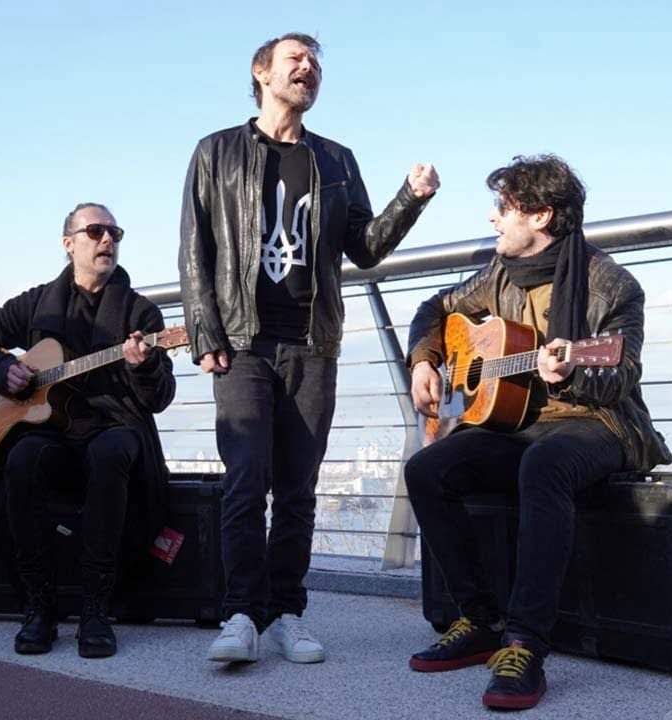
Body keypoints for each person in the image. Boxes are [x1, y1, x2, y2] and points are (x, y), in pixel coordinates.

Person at [179, 31, 440, 665]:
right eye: (295, 59)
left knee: (298, 487)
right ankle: (241, 614)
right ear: (261, 73)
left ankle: (286, 614)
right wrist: (205, 333)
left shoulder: (336, 159)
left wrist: (411, 199)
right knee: (246, 481)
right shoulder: (217, 151)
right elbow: (194, 248)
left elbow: (366, 248)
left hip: (313, 342)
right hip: (242, 343)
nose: (308, 68)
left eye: (315, 61)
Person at [402, 155, 672, 711]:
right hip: (520, 424)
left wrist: (572, 371)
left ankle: (524, 643)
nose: (493, 217)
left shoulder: (613, 285)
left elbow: (621, 373)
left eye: (504, 208)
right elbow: (437, 308)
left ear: (541, 216)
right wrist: (425, 360)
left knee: (544, 464)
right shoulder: (498, 274)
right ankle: (478, 619)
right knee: (427, 470)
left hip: (598, 423)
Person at [0, 203, 175, 658]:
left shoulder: (141, 313)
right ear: (68, 243)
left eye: (114, 233)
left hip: (114, 425)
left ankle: (96, 609)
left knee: (110, 453)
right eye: (95, 231)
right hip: (52, 433)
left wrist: (145, 366)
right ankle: (39, 606)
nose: (107, 240)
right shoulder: (37, 303)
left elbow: (160, 398)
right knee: (22, 459)